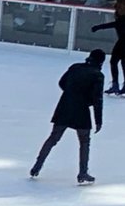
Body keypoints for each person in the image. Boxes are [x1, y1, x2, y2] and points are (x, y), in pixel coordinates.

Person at [30, 50, 107, 183]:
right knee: (84, 141)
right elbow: (97, 99)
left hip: (64, 107)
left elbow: (61, 83)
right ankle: (83, 172)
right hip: (81, 111)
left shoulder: (75, 67)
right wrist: (98, 120)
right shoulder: (98, 76)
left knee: (53, 138)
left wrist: (70, 94)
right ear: (101, 62)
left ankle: (37, 166)